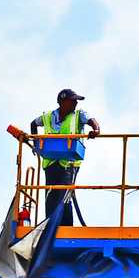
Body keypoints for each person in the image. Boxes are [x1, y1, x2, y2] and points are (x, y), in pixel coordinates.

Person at [31, 89, 100, 226]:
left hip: (69, 163)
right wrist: (36, 143)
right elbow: (34, 123)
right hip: (50, 162)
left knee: (64, 195)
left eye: (76, 100)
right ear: (63, 102)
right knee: (51, 196)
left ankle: (66, 227)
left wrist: (96, 130)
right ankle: (50, 226)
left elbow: (92, 121)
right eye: (72, 100)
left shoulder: (79, 115)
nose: (75, 103)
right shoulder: (49, 116)